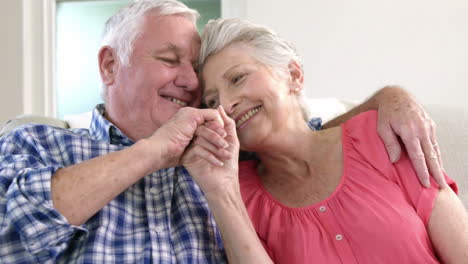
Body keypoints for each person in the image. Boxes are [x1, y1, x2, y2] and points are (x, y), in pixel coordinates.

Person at [0, 0, 447, 262]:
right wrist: (154, 151)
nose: (192, 83)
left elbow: (309, 139)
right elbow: (18, 232)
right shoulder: (37, 142)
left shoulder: (231, 153)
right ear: (109, 64)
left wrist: (390, 96)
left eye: (195, 70)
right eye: (170, 60)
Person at [182, 17, 468, 263]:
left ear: (293, 75)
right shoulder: (238, 194)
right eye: (212, 100)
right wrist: (222, 192)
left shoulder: (379, 136)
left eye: (238, 78)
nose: (226, 104)